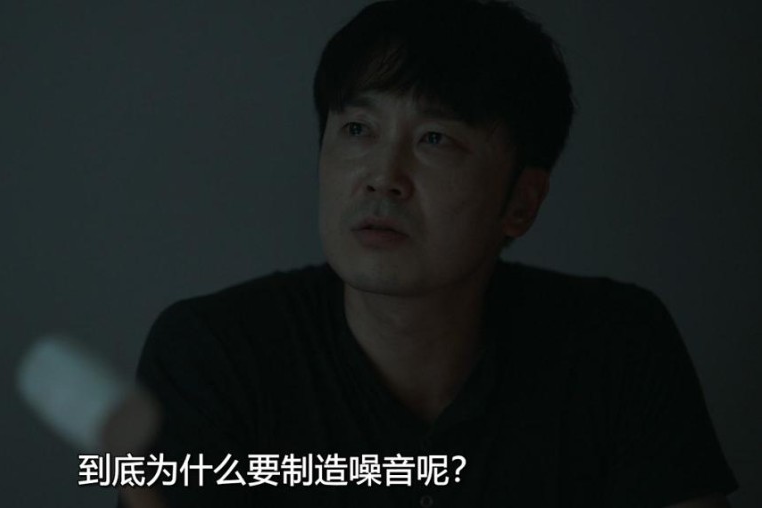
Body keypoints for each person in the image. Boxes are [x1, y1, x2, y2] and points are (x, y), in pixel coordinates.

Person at [115, 0, 738, 506]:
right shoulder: (212, 353)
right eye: (357, 130)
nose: (382, 177)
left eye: (435, 139)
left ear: (521, 202)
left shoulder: (615, 348)